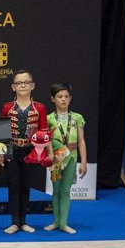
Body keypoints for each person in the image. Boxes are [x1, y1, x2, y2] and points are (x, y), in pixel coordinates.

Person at [0, 70, 49, 234]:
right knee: (13, 187)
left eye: (26, 82)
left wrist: (47, 153)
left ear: (32, 85)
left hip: (30, 151)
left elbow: (44, 131)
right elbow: (2, 131)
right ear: (13, 87)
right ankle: (14, 222)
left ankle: (24, 221)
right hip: (12, 150)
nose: (23, 85)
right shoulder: (7, 107)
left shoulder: (40, 108)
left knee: (26, 186)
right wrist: (0, 153)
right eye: (19, 83)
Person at [45, 82, 87, 235]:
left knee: (65, 190)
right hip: (56, 160)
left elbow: (81, 141)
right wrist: (51, 154)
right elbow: (47, 140)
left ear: (70, 98)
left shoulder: (77, 118)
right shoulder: (49, 118)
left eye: (66, 96)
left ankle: (64, 223)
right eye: (59, 96)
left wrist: (83, 162)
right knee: (56, 190)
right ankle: (56, 221)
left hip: (72, 158)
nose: (63, 99)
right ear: (53, 99)